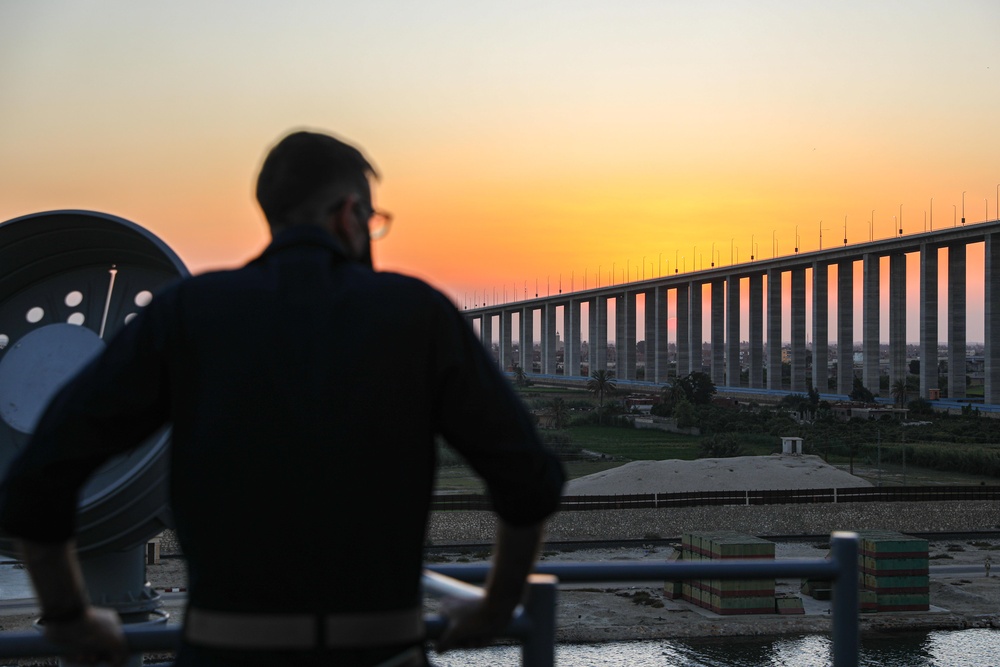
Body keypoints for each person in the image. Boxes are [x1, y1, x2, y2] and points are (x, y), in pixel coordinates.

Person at [0, 130, 565, 666]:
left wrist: (71, 617)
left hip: (223, 652)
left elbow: (37, 482)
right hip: (381, 649)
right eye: (372, 220)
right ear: (350, 214)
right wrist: (496, 604)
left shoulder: (188, 314)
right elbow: (529, 480)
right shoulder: (416, 314)